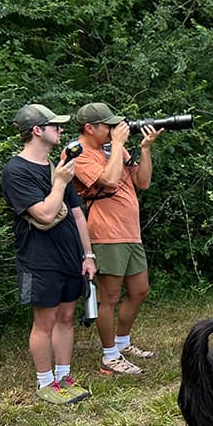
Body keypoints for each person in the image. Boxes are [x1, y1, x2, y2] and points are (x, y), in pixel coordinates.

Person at [1, 104, 96, 405]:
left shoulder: (58, 166)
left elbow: (78, 215)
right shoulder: (15, 171)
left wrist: (88, 255)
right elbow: (43, 214)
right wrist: (60, 183)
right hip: (39, 260)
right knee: (44, 321)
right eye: (55, 126)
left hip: (70, 257)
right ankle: (45, 383)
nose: (61, 130)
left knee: (66, 317)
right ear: (37, 131)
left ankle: (64, 377)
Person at [72, 102, 162, 375]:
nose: (114, 130)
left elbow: (142, 182)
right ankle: (109, 356)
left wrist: (145, 148)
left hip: (130, 233)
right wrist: (117, 143)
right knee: (109, 297)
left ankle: (122, 343)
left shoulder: (113, 148)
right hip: (105, 234)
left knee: (140, 290)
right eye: (108, 126)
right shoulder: (78, 153)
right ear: (90, 128)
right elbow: (109, 181)